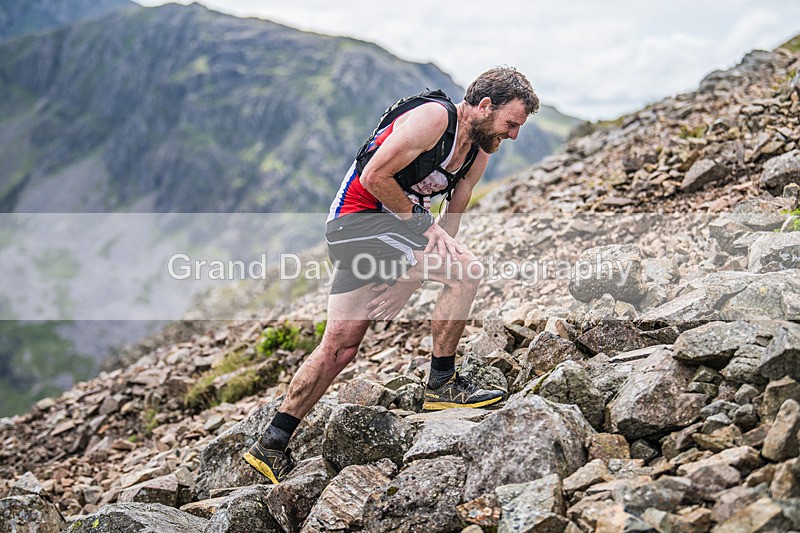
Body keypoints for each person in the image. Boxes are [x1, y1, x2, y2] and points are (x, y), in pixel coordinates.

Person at [244, 67, 540, 484]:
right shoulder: (435, 119)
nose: (513, 135)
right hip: (356, 224)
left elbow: (448, 232)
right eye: (511, 123)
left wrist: (412, 276)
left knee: (341, 345)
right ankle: (442, 384)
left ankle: (271, 442)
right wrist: (423, 227)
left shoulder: (479, 151)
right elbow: (373, 177)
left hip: (390, 234)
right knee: (468, 273)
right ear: (485, 106)